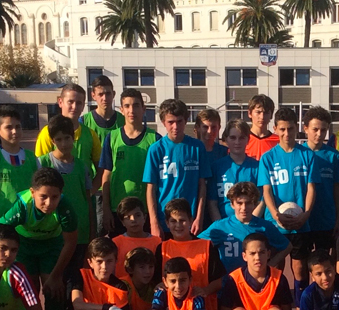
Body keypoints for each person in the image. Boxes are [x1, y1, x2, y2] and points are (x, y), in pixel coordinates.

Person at [0, 168, 78, 310]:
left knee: (55, 293)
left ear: (61, 194)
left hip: (52, 247)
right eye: (43, 197)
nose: (49, 203)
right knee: (29, 297)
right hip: (26, 248)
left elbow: (70, 243)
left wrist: (56, 276)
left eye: (54, 197)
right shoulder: (23, 205)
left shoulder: (65, 207)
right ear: (32, 192)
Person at [259, 107, 320, 288]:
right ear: (276, 128)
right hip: (276, 222)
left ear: (297, 128)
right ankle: (277, 303)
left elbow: (311, 188)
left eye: (291, 129)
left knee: (300, 267)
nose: (287, 133)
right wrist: (276, 215)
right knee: (276, 266)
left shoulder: (307, 155)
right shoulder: (268, 158)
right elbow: (266, 191)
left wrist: (306, 214)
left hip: (300, 222)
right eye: (283, 129)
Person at [144, 99, 210, 236]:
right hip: (165, 221)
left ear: (186, 121)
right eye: (171, 122)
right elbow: (151, 188)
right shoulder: (156, 149)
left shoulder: (197, 147)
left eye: (179, 121)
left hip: (190, 222)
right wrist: (154, 222)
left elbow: (202, 186)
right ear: (163, 123)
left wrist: (199, 218)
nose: (175, 126)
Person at [40, 115, 95, 282]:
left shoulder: (81, 166)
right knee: (55, 285)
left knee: (77, 282)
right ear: (52, 141)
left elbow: (88, 200)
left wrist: (92, 233)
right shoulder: (42, 163)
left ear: (73, 138)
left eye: (67, 138)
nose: (64, 143)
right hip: (53, 236)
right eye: (58, 139)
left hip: (81, 234)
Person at [158, 198, 225, 310]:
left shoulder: (206, 246)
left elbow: (221, 279)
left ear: (190, 220)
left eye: (182, 220)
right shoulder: (162, 248)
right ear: (166, 223)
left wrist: (205, 290)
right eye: (173, 221)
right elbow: (157, 283)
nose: (178, 225)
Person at [101, 88, 160, 236]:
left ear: (144, 109)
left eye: (136, 105)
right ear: (121, 109)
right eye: (127, 106)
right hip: (118, 210)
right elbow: (106, 176)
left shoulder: (155, 139)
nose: (131, 110)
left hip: (144, 212)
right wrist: (106, 209)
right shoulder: (112, 138)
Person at [0, 106, 38, 241]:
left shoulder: (32, 158)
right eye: (9, 127)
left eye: (18, 126)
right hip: (0, 228)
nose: (15, 131)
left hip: (27, 228)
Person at [200, 182, 290, 273]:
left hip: (254, 282)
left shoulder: (265, 226)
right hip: (228, 282)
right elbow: (196, 242)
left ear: (255, 204)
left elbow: (287, 247)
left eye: (248, 203)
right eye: (239, 203)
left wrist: (268, 267)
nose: (244, 208)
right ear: (232, 204)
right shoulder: (219, 226)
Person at [81, 76, 122, 237]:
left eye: (108, 93)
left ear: (114, 94)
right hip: (94, 190)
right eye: (101, 94)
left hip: (118, 190)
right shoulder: (84, 122)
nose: (105, 98)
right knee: (95, 235)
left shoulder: (123, 121)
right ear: (93, 96)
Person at [300, 106, 339, 252]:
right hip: (303, 219)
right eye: (315, 129)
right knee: (302, 263)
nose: (319, 134)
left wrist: (337, 219)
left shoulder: (333, 156)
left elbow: (336, 188)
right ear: (306, 129)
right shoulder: (298, 154)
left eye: (323, 130)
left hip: (326, 219)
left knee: (323, 260)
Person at [35, 83, 100, 178]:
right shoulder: (47, 133)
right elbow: (39, 169)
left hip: (82, 192)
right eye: (70, 102)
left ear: (83, 105)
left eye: (79, 103)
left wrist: (90, 190)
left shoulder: (90, 134)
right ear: (60, 102)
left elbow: (101, 169)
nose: (74, 107)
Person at [208, 119, 260, 222]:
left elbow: (261, 201)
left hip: (250, 225)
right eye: (233, 138)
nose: (237, 142)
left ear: (248, 140)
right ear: (226, 140)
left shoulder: (257, 167)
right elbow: (212, 202)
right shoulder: (216, 167)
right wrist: (220, 225)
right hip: (224, 224)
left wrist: (250, 223)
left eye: (241, 138)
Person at [112, 197, 161, 280]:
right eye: (128, 217)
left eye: (137, 215)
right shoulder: (116, 242)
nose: (133, 220)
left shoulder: (157, 242)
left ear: (144, 217)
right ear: (122, 222)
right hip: (123, 289)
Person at [245, 94, 279, 161]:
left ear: (271, 115)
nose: (262, 117)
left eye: (266, 113)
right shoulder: (241, 140)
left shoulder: (278, 142)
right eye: (258, 112)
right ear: (250, 113)